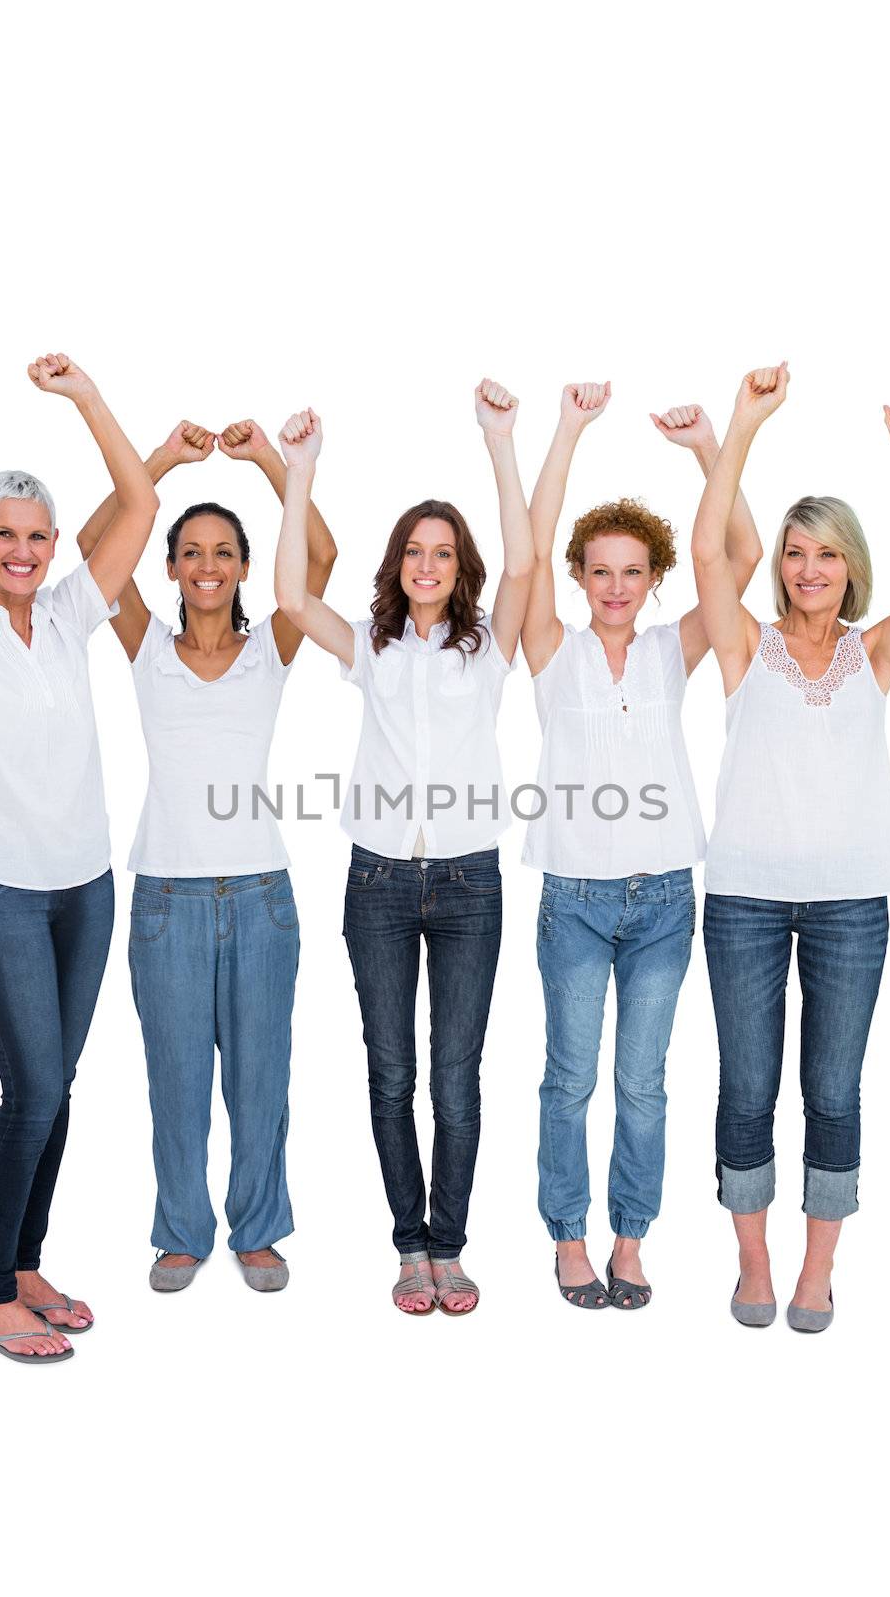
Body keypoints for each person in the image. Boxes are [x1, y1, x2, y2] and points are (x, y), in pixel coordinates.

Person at [0, 354, 159, 1363]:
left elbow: (138, 502)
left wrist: (88, 398)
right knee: (32, 1089)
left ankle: (21, 1264)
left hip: (83, 889)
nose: (20, 549)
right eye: (2, 534)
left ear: (55, 546)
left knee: (59, 1083)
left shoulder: (67, 613)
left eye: (36, 536)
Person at [693, 364, 890, 1331]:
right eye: (797, 553)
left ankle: (818, 1268)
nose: (809, 569)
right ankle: (752, 1262)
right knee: (747, 1087)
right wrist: (742, 425)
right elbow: (707, 558)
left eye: (827, 555)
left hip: (852, 903)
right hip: (745, 903)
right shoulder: (744, 647)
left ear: (851, 568)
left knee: (834, 1088)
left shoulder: (872, 653)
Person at [273, 381, 533, 1315]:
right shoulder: (370, 647)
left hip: (469, 883)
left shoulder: (486, 647)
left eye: (444, 552)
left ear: (458, 565)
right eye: (415, 552)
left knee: (457, 1075)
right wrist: (300, 470)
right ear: (397, 564)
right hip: (378, 881)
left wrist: (498, 441)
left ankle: (451, 1245)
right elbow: (291, 594)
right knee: (392, 1071)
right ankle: (407, 1246)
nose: (429, 564)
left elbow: (527, 564)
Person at [76, 417, 336, 1293]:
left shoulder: (274, 645)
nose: (209, 565)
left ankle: (258, 1229)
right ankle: (182, 1230)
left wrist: (271, 458)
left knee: (261, 1082)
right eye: (192, 551)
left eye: (225, 551)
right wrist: (160, 464)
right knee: (176, 1080)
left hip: (261, 894)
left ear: (244, 568)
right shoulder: (147, 645)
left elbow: (325, 559)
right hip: (166, 900)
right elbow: (87, 544)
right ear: (171, 568)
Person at [522, 381, 762, 1309]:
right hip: (575, 901)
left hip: (664, 899)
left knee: (644, 1085)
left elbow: (740, 553)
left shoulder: (674, 647)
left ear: (654, 577)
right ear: (582, 578)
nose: (615, 587)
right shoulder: (552, 651)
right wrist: (568, 431)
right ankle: (568, 1237)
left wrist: (710, 447)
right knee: (571, 1079)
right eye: (599, 571)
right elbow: (529, 550)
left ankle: (631, 1238)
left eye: (632, 572)